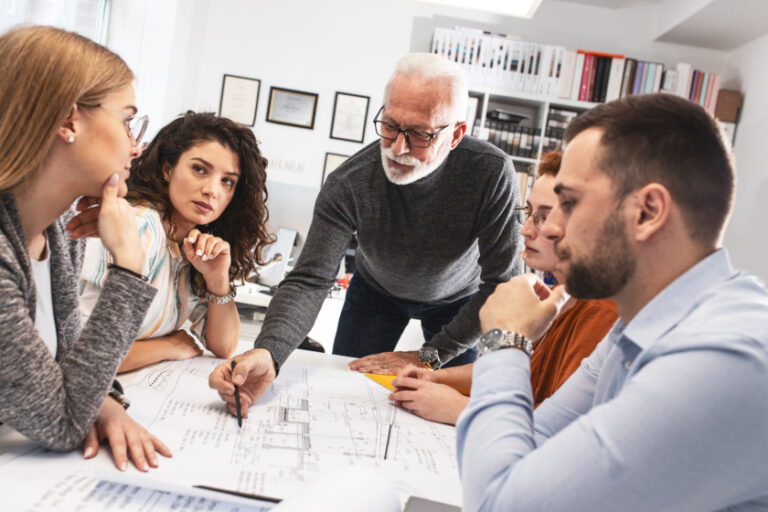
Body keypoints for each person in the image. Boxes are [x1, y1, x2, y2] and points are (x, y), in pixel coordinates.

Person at [458, 93, 768, 511]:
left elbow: (504, 504)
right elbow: (537, 443)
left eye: (568, 203)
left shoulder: (727, 357)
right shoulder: (637, 322)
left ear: (647, 212)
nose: (552, 229)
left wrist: (505, 339)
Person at [210, 53, 521, 416]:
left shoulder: (490, 173)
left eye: (420, 134)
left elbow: (503, 284)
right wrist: (268, 351)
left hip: (458, 300)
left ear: (455, 135)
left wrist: (429, 356)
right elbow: (310, 281)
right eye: (390, 126)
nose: (398, 148)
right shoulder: (349, 183)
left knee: (442, 410)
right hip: (376, 294)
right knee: (348, 394)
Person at [0, 25, 170, 472]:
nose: (136, 146)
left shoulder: (60, 230)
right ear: (69, 120)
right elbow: (60, 422)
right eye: (127, 120)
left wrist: (107, 402)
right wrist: (129, 269)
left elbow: (69, 362)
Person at [390, 151, 617, 425]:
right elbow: (503, 368)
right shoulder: (559, 296)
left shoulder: (601, 311)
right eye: (529, 213)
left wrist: (459, 408)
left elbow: (560, 427)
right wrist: (434, 376)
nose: (526, 231)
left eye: (543, 216)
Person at [80, 112, 272, 372]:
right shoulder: (139, 224)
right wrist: (168, 347)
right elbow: (86, 354)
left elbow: (224, 345)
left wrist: (217, 280)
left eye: (227, 181)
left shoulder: (188, 244)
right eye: (199, 169)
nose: (212, 190)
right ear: (167, 169)